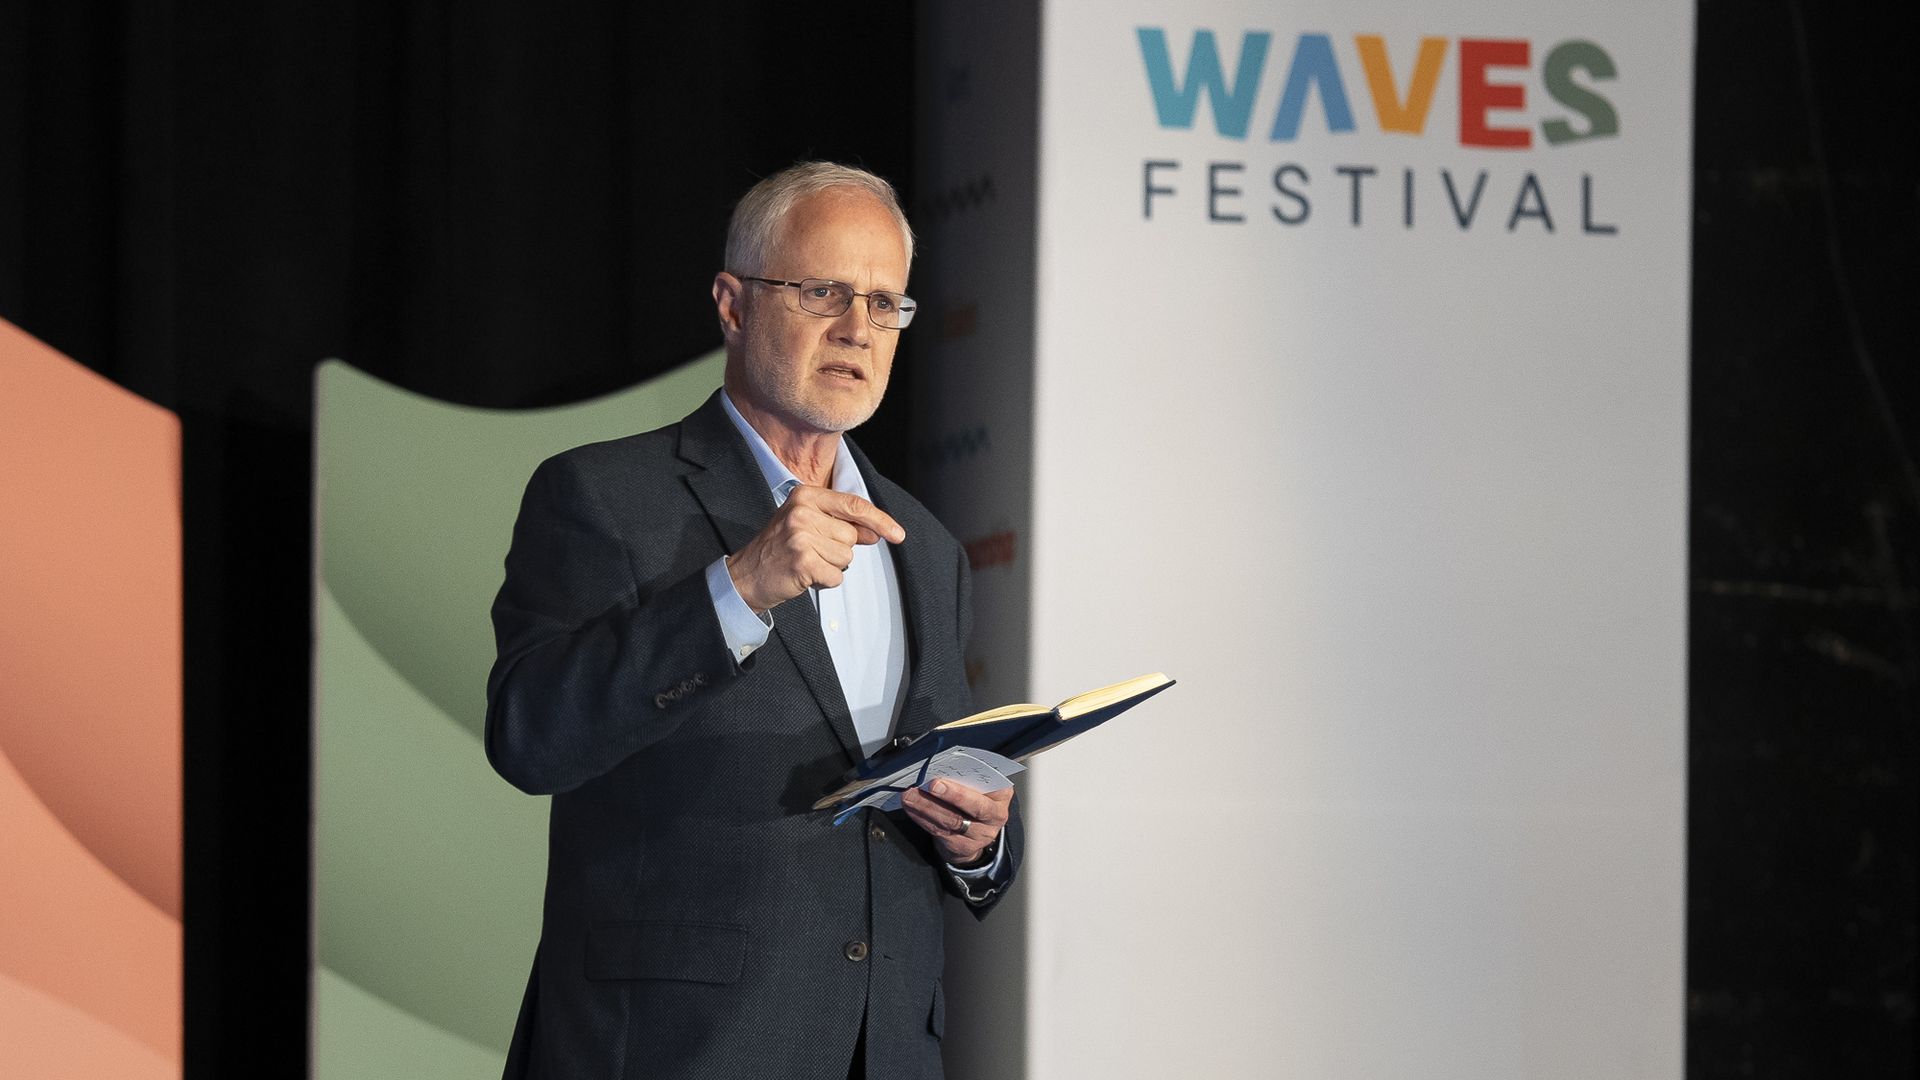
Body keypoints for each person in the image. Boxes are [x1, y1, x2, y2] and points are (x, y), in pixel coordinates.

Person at [484, 161, 1021, 1080]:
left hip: (883, 1052)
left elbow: (924, 802)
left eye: (886, 304)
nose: (859, 328)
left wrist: (980, 842)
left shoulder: (925, 545)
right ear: (732, 305)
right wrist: (737, 587)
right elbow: (531, 737)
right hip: (672, 1052)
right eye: (824, 292)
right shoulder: (604, 496)